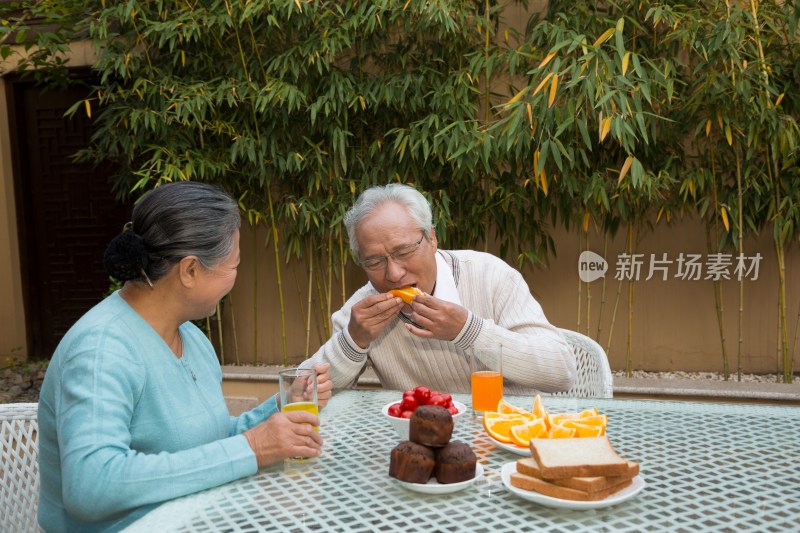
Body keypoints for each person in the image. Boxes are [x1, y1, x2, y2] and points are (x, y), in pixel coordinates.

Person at [37, 181, 332, 532]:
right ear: (190, 270)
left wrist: (282, 407)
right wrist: (252, 448)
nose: (236, 277)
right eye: (233, 265)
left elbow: (211, 444)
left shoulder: (190, 337)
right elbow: (92, 486)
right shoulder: (102, 350)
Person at [300, 183, 576, 395]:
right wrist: (352, 342)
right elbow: (300, 389)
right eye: (373, 261)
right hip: (420, 445)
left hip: (508, 435)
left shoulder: (490, 275)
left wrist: (470, 332)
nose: (393, 273)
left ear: (431, 238)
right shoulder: (363, 310)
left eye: (404, 250)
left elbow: (562, 372)